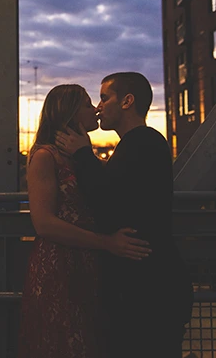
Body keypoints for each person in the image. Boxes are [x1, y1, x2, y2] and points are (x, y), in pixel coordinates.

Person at [55, 72, 193, 357]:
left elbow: (107, 203)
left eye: (104, 98)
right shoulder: (141, 143)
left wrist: (83, 154)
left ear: (127, 101)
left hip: (148, 293)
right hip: (151, 287)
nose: (98, 107)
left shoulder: (142, 143)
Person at [18, 84, 152, 358]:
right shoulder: (45, 156)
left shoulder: (80, 156)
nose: (96, 109)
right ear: (69, 112)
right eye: (88, 104)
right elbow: (43, 223)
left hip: (89, 264)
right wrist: (106, 243)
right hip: (59, 265)